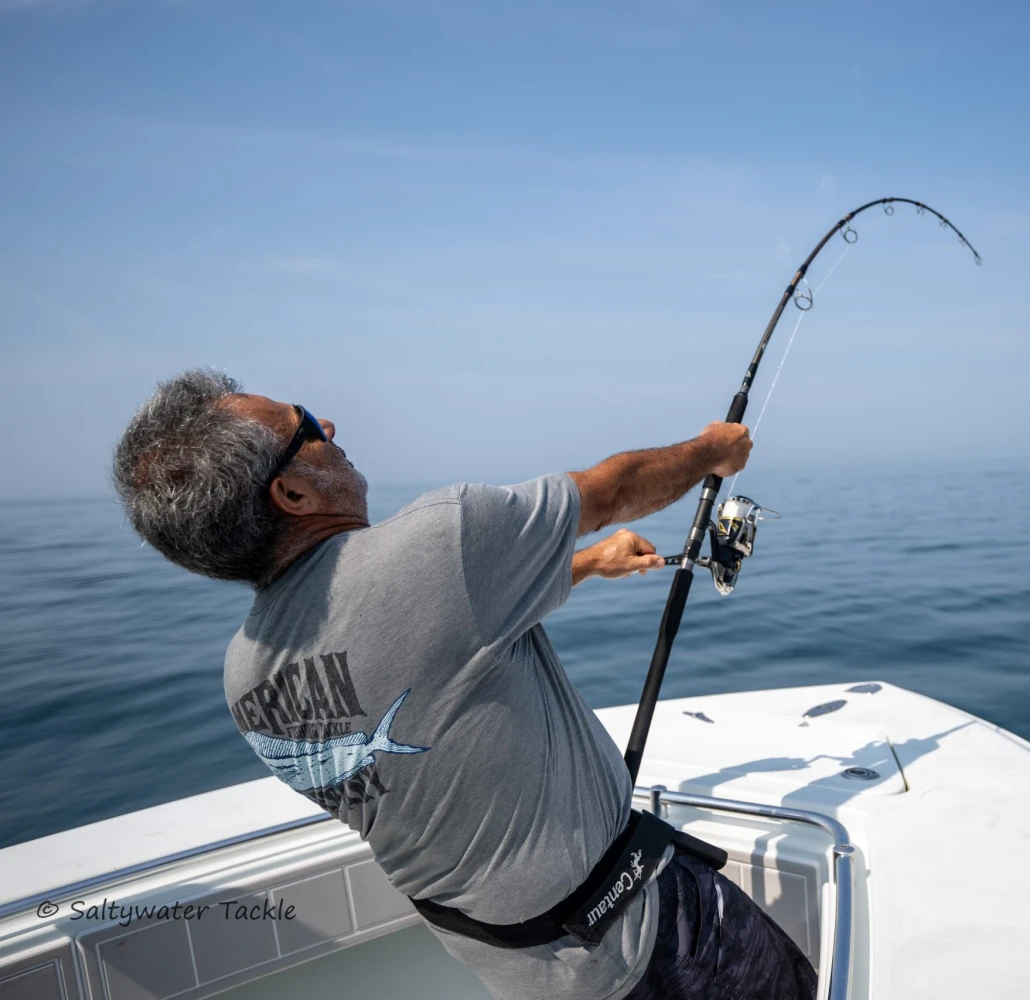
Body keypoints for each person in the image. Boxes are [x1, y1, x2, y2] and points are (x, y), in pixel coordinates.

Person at [112, 369, 818, 1000]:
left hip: (519, 976)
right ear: (293, 492)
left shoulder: (247, 678)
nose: (328, 426)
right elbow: (614, 490)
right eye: (303, 425)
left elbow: (427, 652)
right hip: (648, 948)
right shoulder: (440, 542)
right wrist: (710, 452)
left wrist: (583, 565)